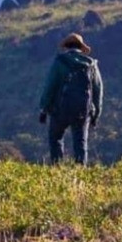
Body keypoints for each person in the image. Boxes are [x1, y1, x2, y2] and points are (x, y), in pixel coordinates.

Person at [37, 32, 103, 164]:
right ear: (81, 47)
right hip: (82, 110)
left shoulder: (60, 62)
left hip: (60, 110)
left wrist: (43, 109)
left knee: (55, 139)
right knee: (80, 142)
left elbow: (50, 86)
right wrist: (96, 115)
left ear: (66, 46)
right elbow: (98, 90)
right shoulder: (91, 65)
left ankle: (57, 169)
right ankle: (80, 172)